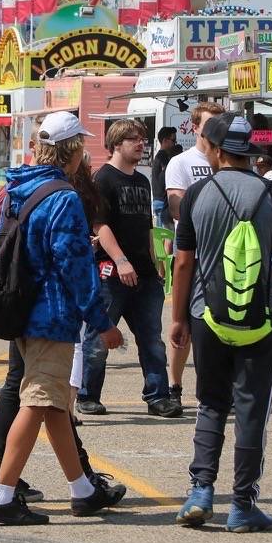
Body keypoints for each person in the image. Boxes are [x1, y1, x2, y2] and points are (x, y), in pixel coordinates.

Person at [0, 113, 126, 525]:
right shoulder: (63, 197)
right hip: (53, 315)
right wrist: (101, 321)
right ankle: (3, 494)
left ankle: (82, 488)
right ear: (74, 151)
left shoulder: (17, 187)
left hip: (22, 310)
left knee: (54, 402)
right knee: (38, 401)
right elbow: (74, 265)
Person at [170, 112, 272, 532]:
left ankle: (201, 491)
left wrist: (178, 318)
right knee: (251, 410)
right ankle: (242, 505)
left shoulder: (196, 194)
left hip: (207, 315)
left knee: (211, 402)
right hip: (260, 319)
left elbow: (184, 261)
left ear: (218, 150)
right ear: (250, 154)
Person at [78, 119, 179, 418]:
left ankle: (158, 397)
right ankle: (87, 395)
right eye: (133, 139)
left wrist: (155, 259)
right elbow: (99, 225)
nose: (140, 144)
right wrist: (121, 261)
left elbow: (146, 225)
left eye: (142, 139)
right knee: (98, 338)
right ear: (116, 144)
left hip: (145, 274)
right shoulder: (104, 179)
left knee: (152, 340)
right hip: (112, 273)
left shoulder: (142, 180)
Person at [162, 101, 224, 410]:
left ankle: (214, 388)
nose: (214, 130)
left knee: (217, 324)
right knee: (182, 324)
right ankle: (175, 385)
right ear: (195, 127)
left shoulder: (226, 162)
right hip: (191, 252)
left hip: (223, 255)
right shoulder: (181, 162)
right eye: (209, 124)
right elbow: (176, 206)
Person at [151, 126, 182, 228]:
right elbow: (164, 178)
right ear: (164, 140)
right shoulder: (162, 156)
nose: (174, 143)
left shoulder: (162, 156)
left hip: (160, 200)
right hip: (162, 201)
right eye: (173, 140)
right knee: (166, 236)